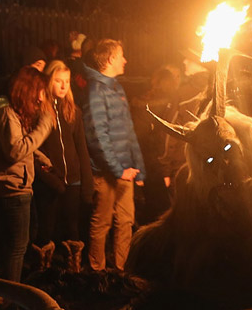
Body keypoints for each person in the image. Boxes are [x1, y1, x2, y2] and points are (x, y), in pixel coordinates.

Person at [0, 66, 55, 282]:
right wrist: (44, 126)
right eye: (39, 91)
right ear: (28, 90)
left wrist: (38, 157)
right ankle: (11, 294)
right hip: (11, 188)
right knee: (17, 247)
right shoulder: (7, 114)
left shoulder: (12, 113)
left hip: (15, 185)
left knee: (20, 242)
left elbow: (15, 143)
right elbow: (15, 150)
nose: (41, 98)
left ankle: (12, 285)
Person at [82, 39, 145, 271]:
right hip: (106, 173)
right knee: (102, 223)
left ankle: (121, 271)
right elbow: (98, 137)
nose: (125, 60)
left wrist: (138, 167)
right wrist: (118, 170)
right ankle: (97, 274)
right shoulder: (95, 91)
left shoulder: (117, 88)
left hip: (126, 171)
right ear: (110, 59)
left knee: (125, 221)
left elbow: (129, 130)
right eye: (121, 55)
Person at [37, 59, 93, 272]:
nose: (63, 85)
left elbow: (82, 149)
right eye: (58, 81)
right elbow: (36, 150)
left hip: (74, 179)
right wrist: (49, 177)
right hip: (51, 179)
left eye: (67, 81)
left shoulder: (73, 111)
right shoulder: (39, 111)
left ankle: (73, 272)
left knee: (72, 228)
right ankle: (43, 273)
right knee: (47, 228)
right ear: (48, 81)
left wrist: (87, 185)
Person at [131, 64, 181, 224]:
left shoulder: (143, 102)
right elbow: (165, 138)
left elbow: (137, 134)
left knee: (152, 205)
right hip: (157, 161)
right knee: (162, 208)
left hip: (144, 159)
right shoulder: (169, 106)